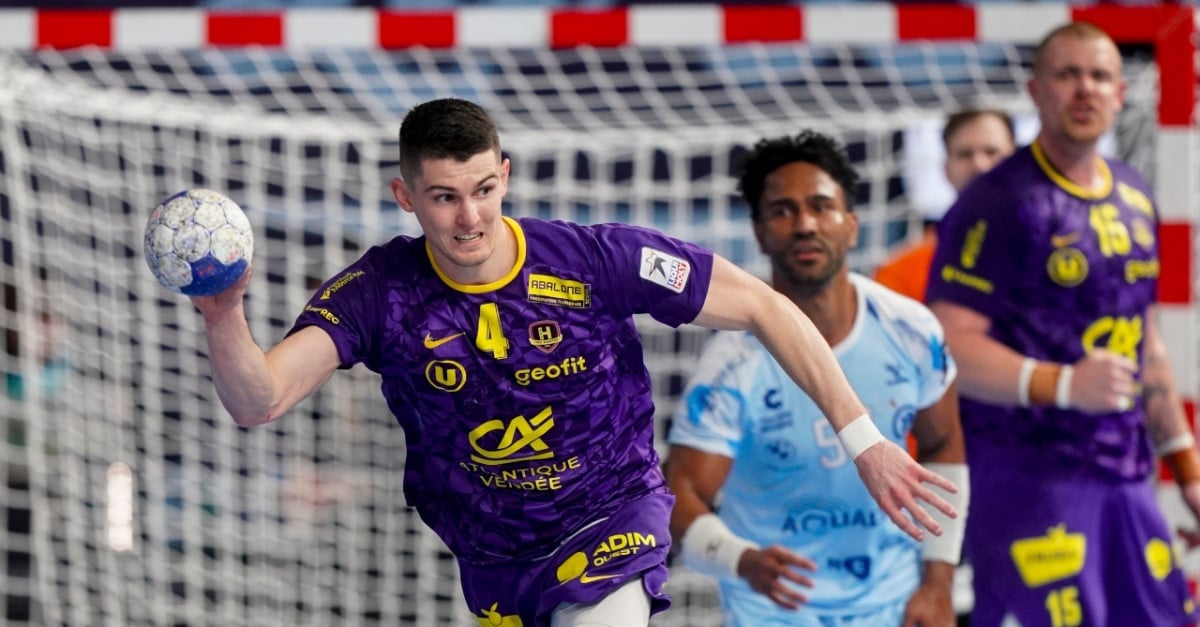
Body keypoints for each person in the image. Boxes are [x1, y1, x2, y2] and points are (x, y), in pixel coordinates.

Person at [189, 98, 959, 627]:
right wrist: (224, 314)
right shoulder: (378, 292)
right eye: (445, 197)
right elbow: (260, 399)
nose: (470, 217)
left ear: (505, 175)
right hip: (493, 549)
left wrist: (865, 440)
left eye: (484, 189)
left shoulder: (593, 260)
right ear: (405, 195)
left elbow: (765, 306)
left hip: (610, 514)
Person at [926, 21, 1200, 626]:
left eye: (1099, 76)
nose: (1085, 89)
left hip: (1125, 473)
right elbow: (950, 343)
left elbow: (1145, 344)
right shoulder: (996, 201)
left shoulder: (1134, 193)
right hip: (1029, 476)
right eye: (1067, 74)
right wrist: (1065, 384)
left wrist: (1187, 469)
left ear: (1120, 94)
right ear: (1035, 90)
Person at [665, 130, 968, 627]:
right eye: (783, 210)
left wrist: (938, 584)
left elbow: (944, 445)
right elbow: (679, 496)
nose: (805, 224)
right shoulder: (731, 363)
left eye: (821, 206)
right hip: (774, 614)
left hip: (893, 605)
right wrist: (742, 559)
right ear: (759, 232)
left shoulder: (912, 329)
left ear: (851, 225)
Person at [875, 109, 1016, 302]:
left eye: (992, 152)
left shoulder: (1052, 250)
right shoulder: (900, 271)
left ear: (1018, 162)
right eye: (965, 154)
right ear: (946, 169)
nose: (979, 165)